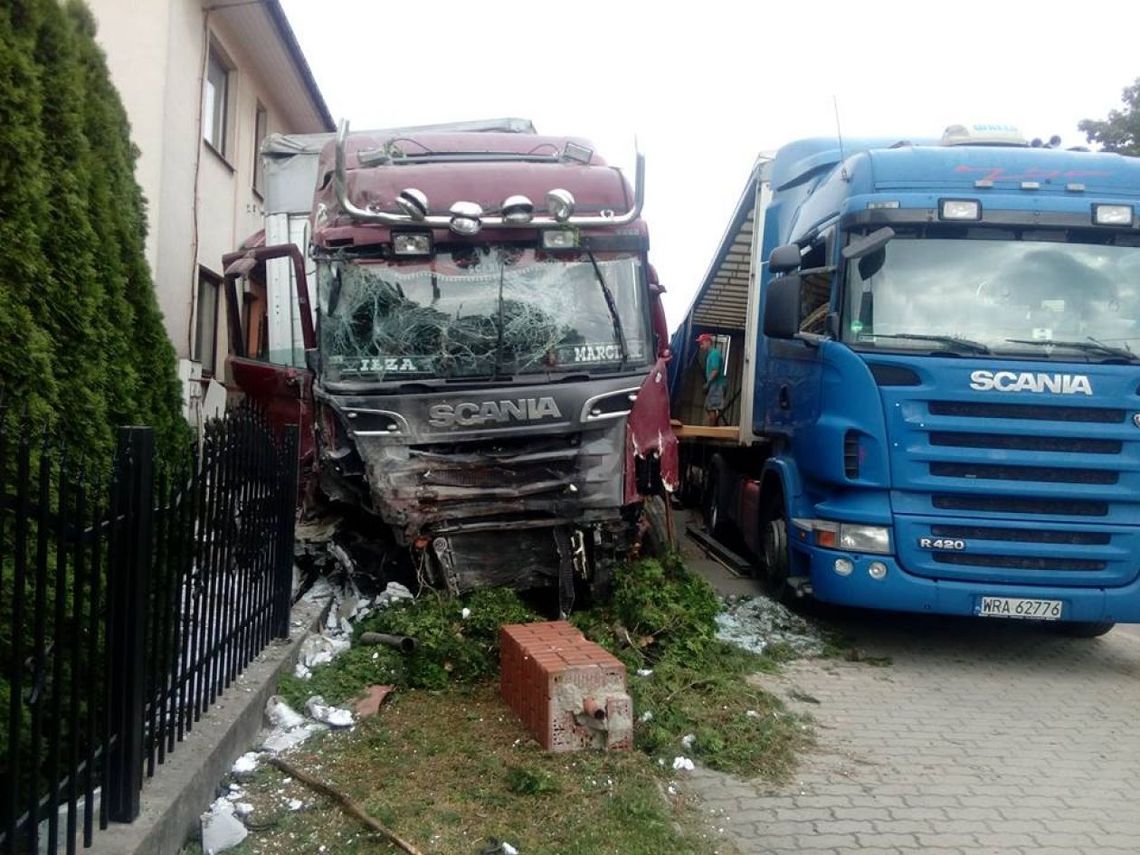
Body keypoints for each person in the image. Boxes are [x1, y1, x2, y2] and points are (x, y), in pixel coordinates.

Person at [696, 333, 726, 426]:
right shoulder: (712, 354)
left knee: (711, 407)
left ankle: (712, 431)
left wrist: (708, 383)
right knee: (710, 407)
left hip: (716, 385)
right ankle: (713, 428)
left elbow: (715, 370)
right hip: (715, 384)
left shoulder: (714, 354)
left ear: (708, 342)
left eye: (702, 343)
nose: (700, 346)